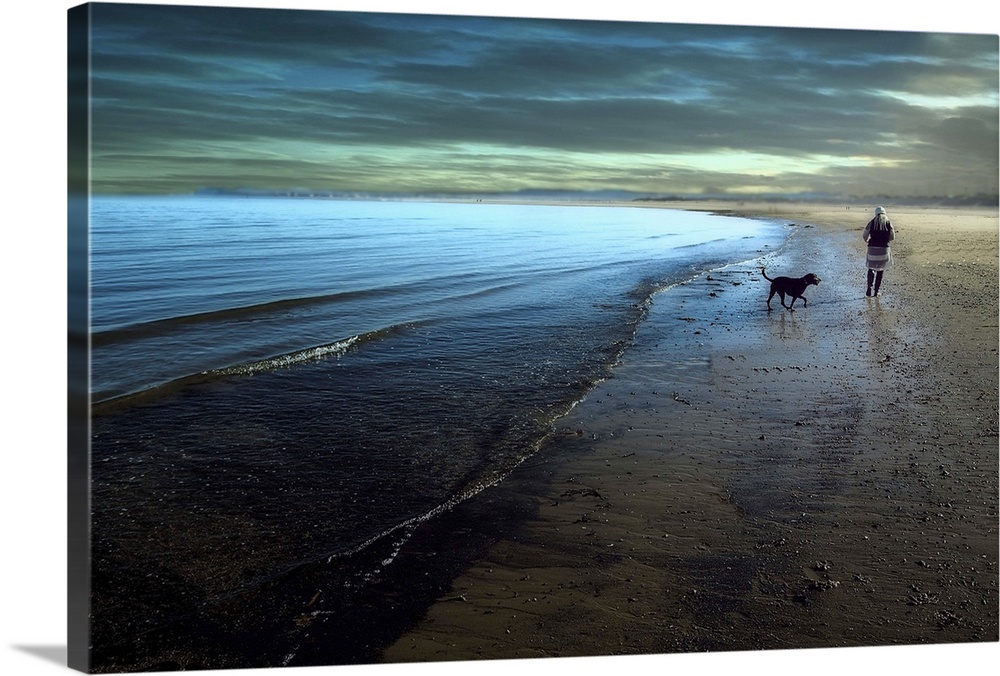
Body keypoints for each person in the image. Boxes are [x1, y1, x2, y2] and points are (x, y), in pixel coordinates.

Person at [862, 206, 895, 296]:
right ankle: (876, 291)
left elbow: (865, 235)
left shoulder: (872, 222)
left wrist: (867, 240)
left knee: (871, 268)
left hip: (872, 248)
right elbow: (892, 237)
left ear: (875, 214)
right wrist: (885, 240)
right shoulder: (888, 223)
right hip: (884, 249)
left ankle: (869, 288)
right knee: (880, 270)